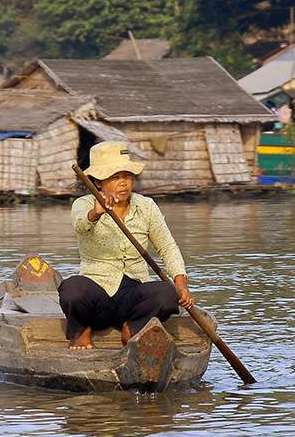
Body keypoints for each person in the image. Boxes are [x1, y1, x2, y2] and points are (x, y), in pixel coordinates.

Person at [60, 141, 194, 350]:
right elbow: (81, 225)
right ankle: (81, 330)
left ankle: (132, 327)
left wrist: (180, 281)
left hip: (133, 295)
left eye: (127, 176)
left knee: (167, 294)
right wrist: (96, 213)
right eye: (115, 177)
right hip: (98, 294)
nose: (123, 183)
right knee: (72, 289)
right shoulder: (84, 204)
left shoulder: (146, 206)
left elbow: (167, 246)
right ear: (97, 182)